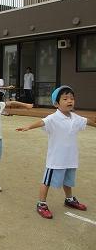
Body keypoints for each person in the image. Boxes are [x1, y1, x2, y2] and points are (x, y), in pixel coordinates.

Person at [16, 86, 96, 219]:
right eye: (65, 98)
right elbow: (42, 122)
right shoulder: (53, 118)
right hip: (56, 159)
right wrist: (28, 127)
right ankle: (41, 204)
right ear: (56, 104)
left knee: (68, 181)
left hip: (70, 158)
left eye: (71, 98)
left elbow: (87, 121)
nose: (69, 100)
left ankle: (69, 199)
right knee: (47, 181)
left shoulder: (75, 117)